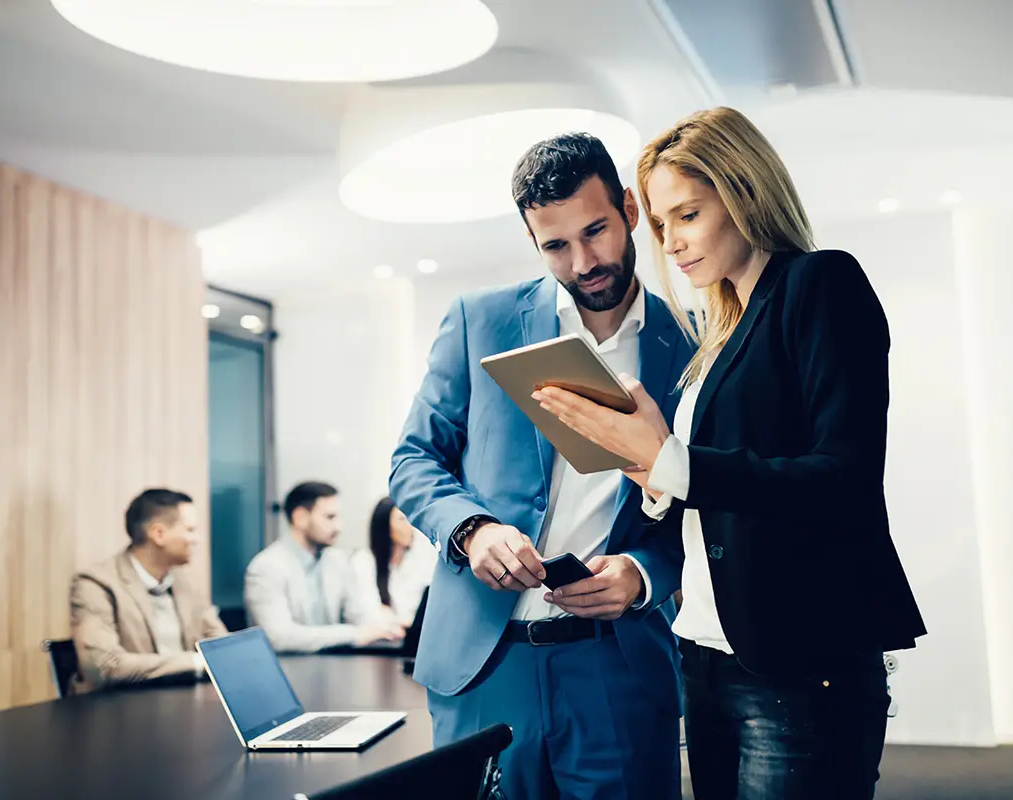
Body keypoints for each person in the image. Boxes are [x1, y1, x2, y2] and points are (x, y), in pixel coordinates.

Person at [534, 107, 927, 800]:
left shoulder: (820, 284)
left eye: (687, 214)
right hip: (706, 650)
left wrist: (668, 462)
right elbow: (699, 490)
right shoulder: (716, 332)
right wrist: (646, 470)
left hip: (799, 659)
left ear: (744, 191)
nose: (672, 242)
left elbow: (844, 479)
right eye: (659, 224)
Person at [390, 132, 694, 800]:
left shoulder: (691, 342)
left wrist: (644, 574)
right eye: (556, 245)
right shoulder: (481, 321)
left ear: (629, 209)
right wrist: (472, 530)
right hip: (485, 663)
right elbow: (412, 461)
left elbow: (699, 507)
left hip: (616, 663)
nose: (584, 261)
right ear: (532, 241)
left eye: (596, 231)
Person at [70, 488, 227, 693]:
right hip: (120, 708)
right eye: (190, 530)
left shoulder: (186, 581)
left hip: (184, 700)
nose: (196, 539)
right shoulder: (95, 583)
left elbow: (221, 647)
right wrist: (197, 662)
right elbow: (104, 665)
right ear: (158, 534)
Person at [244, 481, 405, 653]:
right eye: (330, 517)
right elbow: (279, 637)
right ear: (300, 517)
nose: (339, 527)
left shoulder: (337, 561)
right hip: (288, 670)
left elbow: (360, 615)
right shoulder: (266, 568)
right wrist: (353, 634)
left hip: (334, 666)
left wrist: (383, 626)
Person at [350, 497, 435, 625]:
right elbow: (370, 614)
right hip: (380, 640)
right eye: (402, 519)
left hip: (409, 636)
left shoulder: (417, 560)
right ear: (384, 525)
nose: (410, 526)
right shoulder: (364, 561)